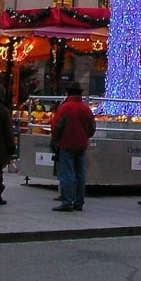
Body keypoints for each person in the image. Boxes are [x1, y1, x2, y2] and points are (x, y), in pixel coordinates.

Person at [51, 80, 96, 212]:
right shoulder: (86, 109)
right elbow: (92, 128)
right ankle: (79, 202)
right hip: (81, 145)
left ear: (68, 93)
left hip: (66, 144)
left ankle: (67, 202)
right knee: (80, 173)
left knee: (67, 173)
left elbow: (56, 127)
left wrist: (55, 140)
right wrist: (84, 136)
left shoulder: (64, 108)